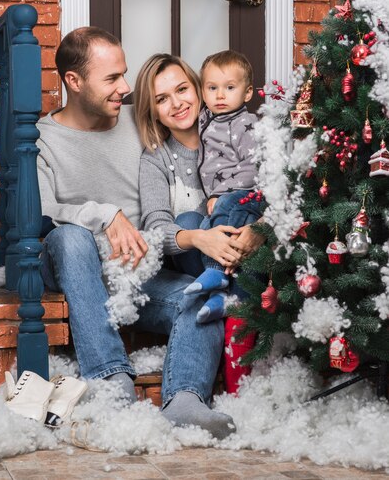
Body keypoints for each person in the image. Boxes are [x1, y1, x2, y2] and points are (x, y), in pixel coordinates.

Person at [36, 27, 237, 440]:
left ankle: (185, 399)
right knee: (68, 237)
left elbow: (196, 139)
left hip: (139, 272)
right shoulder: (43, 138)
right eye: (112, 79)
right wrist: (104, 214)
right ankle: (111, 380)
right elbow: (42, 209)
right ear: (74, 82)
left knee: (202, 296)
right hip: (76, 265)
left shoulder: (137, 119)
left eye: (124, 75)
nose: (125, 89)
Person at [136, 53, 265, 324]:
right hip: (197, 265)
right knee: (189, 220)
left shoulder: (237, 128)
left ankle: (233, 307)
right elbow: (156, 227)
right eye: (161, 99)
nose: (176, 103)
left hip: (250, 248)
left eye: (182, 89)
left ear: (197, 89)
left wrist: (261, 229)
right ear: (153, 111)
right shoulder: (154, 159)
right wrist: (199, 238)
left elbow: (278, 187)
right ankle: (221, 292)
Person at [184, 49, 264, 322]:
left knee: (228, 219)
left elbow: (253, 167)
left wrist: (221, 193)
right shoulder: (205, 117)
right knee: (209, 228)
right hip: (222, 200)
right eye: (212, 88)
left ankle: (217, 273)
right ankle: (221, 294)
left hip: (246, 195)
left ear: (247, 92)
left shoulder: (245, 124)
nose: (220, 95)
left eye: (230, 88)